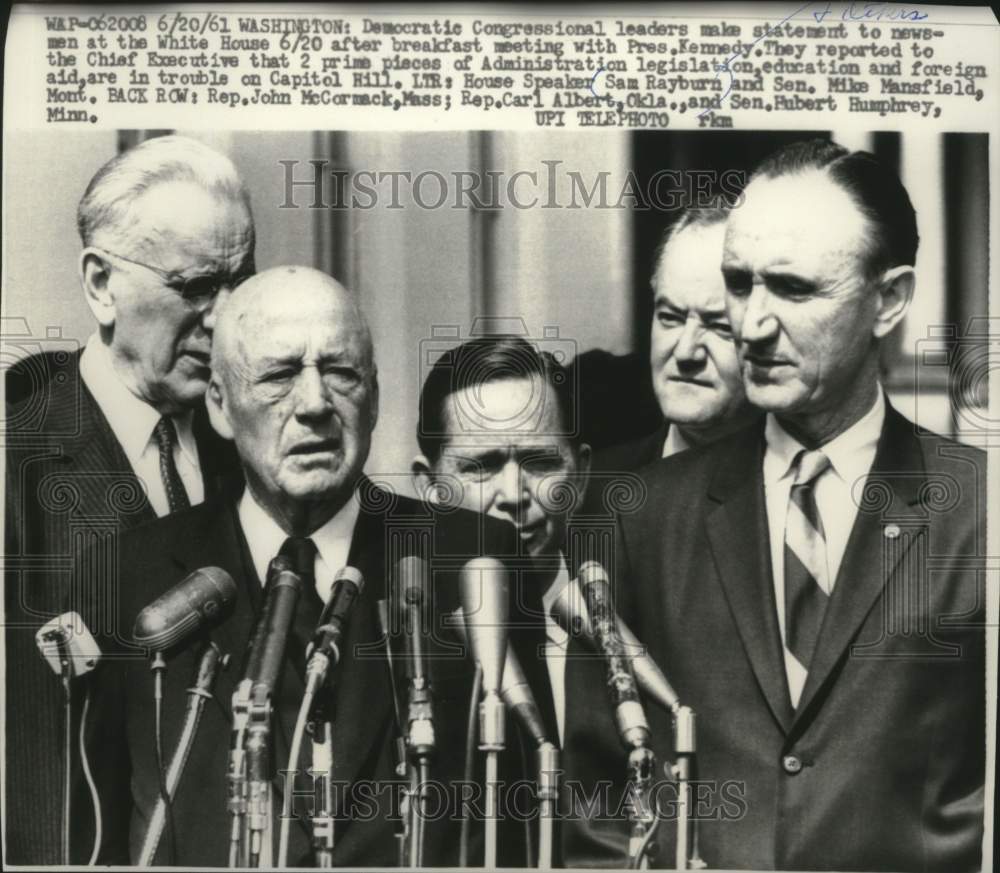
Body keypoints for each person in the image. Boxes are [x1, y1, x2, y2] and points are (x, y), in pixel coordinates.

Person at [562, 140, 985, 870]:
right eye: (739, 283)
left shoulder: (979, 509)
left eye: (791, 289)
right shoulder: (638, 518)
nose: (752, 325)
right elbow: (597, 811)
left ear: (889, 299)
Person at [74, 267, 540, 867]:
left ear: (373, 397)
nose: (315, 403)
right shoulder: (127, 576)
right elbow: (97, 834)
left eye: (341, 373)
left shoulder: (473, 556)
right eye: (280, 375)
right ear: (219, 404)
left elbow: (524, 820)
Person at [4, 134, 252, 864]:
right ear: (101, 284)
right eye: (197, 286)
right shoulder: (16, 452)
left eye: (242, 281)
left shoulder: (255, 447)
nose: (226, 316)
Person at [412, 335, 592, 748]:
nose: (513, 494)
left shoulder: (630, 626)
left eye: (541, 463)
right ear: (430, 489)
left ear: (580, 477)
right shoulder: (407, 648)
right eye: (482, 466)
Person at [594, 207, 758, 475]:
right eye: (670, 318)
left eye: (719, 325)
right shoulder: (596, 487)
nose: (685, 353)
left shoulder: (798, 493)